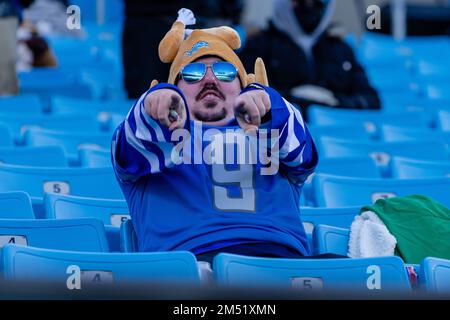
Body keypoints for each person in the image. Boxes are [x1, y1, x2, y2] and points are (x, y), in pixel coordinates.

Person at [112, 9, 318, 263]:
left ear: (244, 84)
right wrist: (157, 103)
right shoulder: (154, 136)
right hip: (192, 266)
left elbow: (303, 154)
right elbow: (134, 141)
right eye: (192, 73)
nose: (210, 79)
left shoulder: (271, 130)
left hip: (285, 265)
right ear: (174, 86)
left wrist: (267, 105)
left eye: (224, 71)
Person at [240, 0, 381, 116]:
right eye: (303, 1)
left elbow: (371, 100)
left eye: (318, 2)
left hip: (338, 135)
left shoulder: (341, 49)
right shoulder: (260, 46)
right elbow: (249, 96)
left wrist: (333, 101)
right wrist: (297, 99)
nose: (310, 6)